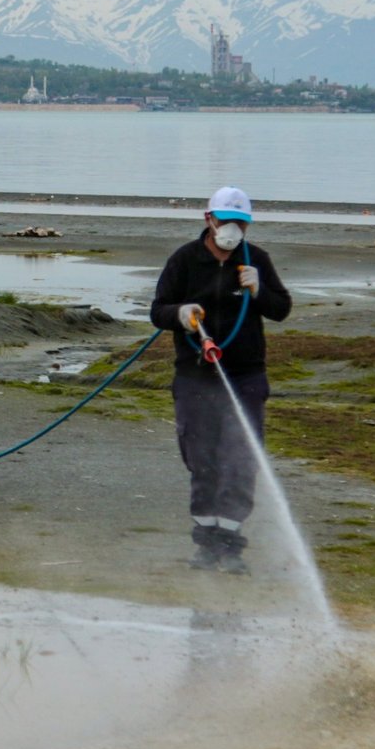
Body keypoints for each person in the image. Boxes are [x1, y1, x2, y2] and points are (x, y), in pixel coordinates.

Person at [148, 186, 292, 573]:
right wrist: (180, 314)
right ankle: (206, 544)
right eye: (227, 221)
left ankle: (230, 545)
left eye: (241, 223)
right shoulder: (184, 259)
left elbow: (281, 309)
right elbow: (158, 310)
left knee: (241, 459)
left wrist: (259, 290)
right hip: (195, 376)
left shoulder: (256, 259)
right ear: (209, 219)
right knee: (202, 460)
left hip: (245, 377)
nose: (233, 229)